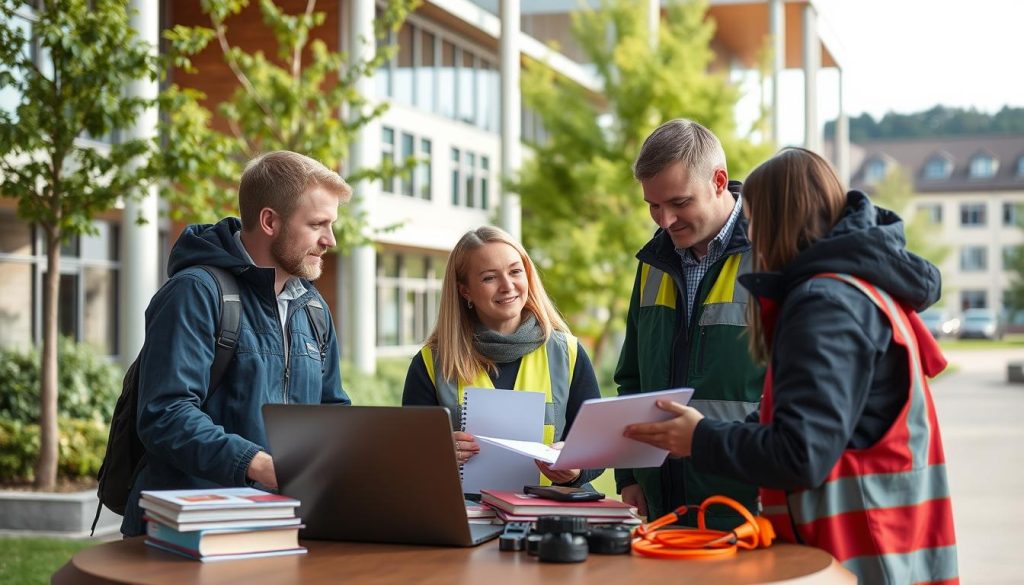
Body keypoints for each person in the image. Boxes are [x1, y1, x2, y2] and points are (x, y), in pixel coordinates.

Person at [624, 148, 959, 584]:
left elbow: (802, 452)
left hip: (857, 554)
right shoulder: (857, 291)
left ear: (778, 218)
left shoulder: (826, 305)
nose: (752, 233)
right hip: (881, 548)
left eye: (756, 219)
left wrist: (701, 438)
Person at [121, 151, 352, 536]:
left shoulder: (312, 307)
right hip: (190, 531)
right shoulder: (195, 293)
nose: (330, 240)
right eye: (318, 224)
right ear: (269, 221)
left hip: (278, 524)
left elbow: (330, 410)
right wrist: (259, 464)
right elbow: (165, 413)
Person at [614, 119, 764, 529]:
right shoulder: (652, 266)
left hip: (748, 505)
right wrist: (629, 475)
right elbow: (632, 380)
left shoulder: (772, 256)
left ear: (719, 181)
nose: (664, 220)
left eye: (679, 203)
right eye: (653, 205)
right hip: (663, 509)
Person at [402, 226, 602, 487]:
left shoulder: (568, 353)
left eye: (515, 271)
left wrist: (575, 469)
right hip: (466, 519)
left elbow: (597, 448)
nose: (507, 286)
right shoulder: (431, 363)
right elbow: (408, 456)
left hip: (546, 516)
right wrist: (437, 454)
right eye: (489, 278)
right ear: (465, 291)